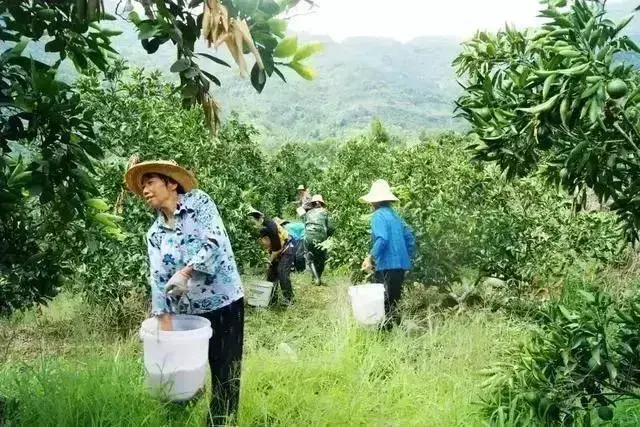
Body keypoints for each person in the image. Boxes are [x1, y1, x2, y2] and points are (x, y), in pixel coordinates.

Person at [124, 160, 244, 425]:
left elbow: (215, 241)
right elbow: (158, 278)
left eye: (150, 182)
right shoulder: (154, 234)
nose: (145, 190)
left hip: (223, 301)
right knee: (185, 373)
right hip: (188, 312)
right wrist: (163, 323)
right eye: (142, 186)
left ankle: (221, 421)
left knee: (226, 369)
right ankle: (178, 418)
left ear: (172, 183)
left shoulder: (199, 204)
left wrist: (187, 271)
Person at [360, 179, 415, 329]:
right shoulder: (395, 216)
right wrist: (405, 257)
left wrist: (370, 257)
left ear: (374, 202)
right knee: (394, 301)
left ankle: (384, 336)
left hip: (386, 265)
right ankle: (395, 334)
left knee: (383, 303)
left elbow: (382, 239)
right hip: (400, 266)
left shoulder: (378, 216)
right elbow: (410, 238)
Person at [248, 209, 295, 306]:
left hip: (285, 250)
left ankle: (289, 299)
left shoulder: (271, 227)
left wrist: (269, 261)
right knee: (271, 276)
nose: (252, 225)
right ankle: (272, 299)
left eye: (253, 222)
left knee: (282, 273)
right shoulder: (261, 227)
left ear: (259, 219)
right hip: (275, 250)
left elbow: (277, 248)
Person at [303, 195, 334, 286]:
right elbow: (331, 228)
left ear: (313, 204)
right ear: (321, 203)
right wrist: (327, 237)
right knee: (321, 258)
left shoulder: (308, 213)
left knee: (310, 258)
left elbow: (305, 225)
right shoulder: (325, 212)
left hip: (308, 237)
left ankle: (315, 278)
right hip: (321, 236)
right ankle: (318, 277)